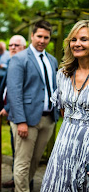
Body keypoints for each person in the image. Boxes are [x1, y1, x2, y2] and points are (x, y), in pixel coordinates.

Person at [7, 20, 59, 192]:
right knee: (22, 163)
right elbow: (14, 92)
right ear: (32, 35)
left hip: (48, 119)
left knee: (35, 162)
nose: (42, 40)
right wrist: (20, 121)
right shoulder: (20, 59)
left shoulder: (52, 60)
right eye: (39, 36)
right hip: (26, 121)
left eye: (46, 37)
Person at [41, 20, 89, 191]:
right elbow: (64, 112)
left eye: (84, 39)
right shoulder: (62, 74)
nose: (77, 44)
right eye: (73, 39)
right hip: (64, 144)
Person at [0, 35, 27, 189]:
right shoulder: (10, 62)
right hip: (11, 114)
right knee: (16, 148)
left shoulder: (25, 63)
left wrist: (7, 108)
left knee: (22, 152)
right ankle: (16, 178)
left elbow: (20, 91)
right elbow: (7, 88)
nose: (13, 48)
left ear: (24, 47)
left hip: (20, 114)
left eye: (17, 45)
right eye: (11, 45)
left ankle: (22, 181)